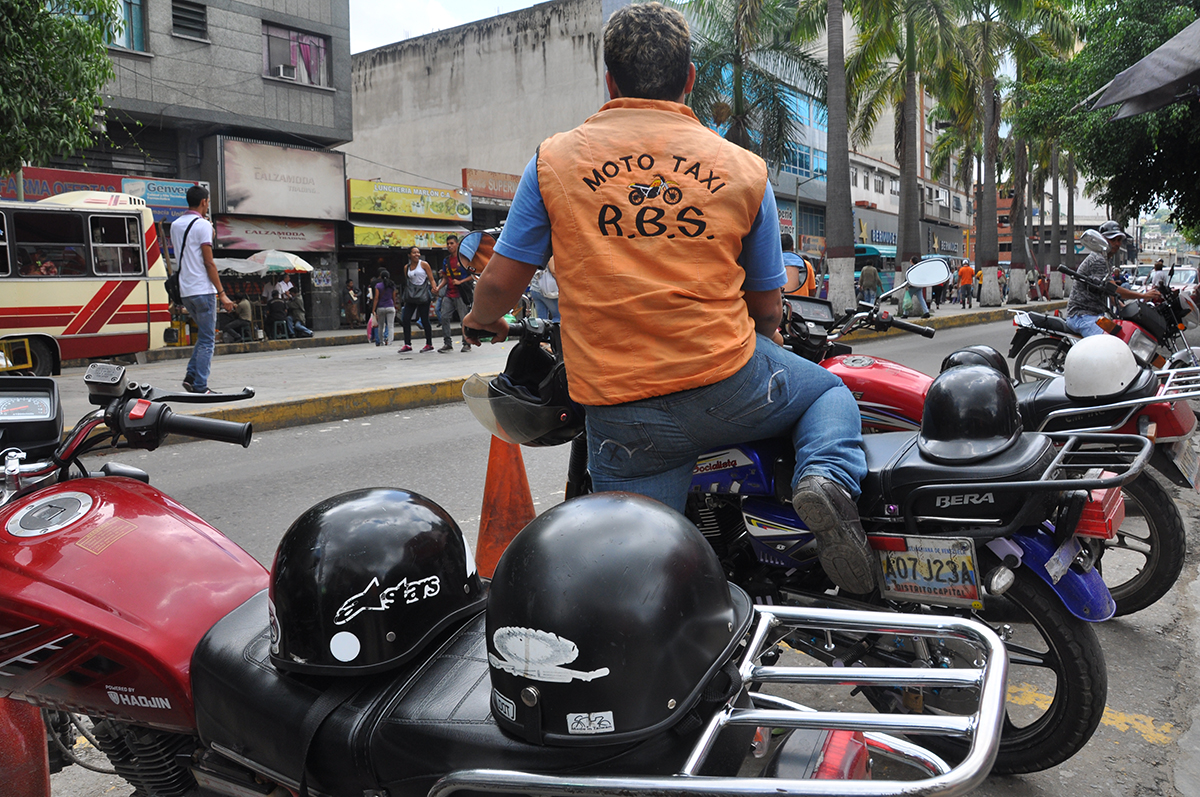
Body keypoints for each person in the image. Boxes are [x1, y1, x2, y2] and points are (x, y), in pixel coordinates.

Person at [461, 2, 874, 594]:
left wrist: (481, 320)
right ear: (689, 80)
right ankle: (827, 480)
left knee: (635, 577)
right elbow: (766, 304)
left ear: (608, 80)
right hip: (729, 383)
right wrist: (772, 336)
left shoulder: (554, 161)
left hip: (623, 411)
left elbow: (501, 284)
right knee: (831, 390)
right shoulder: (743, 169)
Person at [171, 185, 234, 394]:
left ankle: (191, 376)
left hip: (185, 290)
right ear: (204, 202)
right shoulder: (203, 225)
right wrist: (222, 294)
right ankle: (201, 385)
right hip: (203, 289)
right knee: (208, 339)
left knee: (204, 336)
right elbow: (209, 263)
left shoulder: (176, 225)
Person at [1066, 221, 1160, 337]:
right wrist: (1143, 296)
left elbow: (1109, 293)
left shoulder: (1106, 261)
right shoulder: (1097, 259)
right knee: (1107, 345)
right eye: (1112, 240)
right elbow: (1113, 289)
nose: (1116, 243)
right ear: (1101, 240)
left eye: (1119, 240)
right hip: (1082, 316)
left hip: (1096, 315)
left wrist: (1124, 307)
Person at [437, 235, 475, 352]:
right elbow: (445, 277)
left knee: (464, 319)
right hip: (449, 294)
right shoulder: (446, 260)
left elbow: (473, 275)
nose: (449, 246)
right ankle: (447, 344)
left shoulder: (464, 259)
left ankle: (467, 343)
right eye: (448, 244)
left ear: (457, 244)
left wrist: (460, 281)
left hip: (461, 294)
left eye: (452, 243)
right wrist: (438, 287)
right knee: (444, 317)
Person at [400, 246, 436, 353]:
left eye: (418, 252)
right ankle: (407, 344)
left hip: (423, 294)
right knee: (405, 319)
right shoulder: (406, 267)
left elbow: (431, 278)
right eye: (414, 252)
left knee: (424, 319)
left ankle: (429, 344)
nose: (417, 255)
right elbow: (408, 281)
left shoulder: (424, 264)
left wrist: (434, 288)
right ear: (409, 255)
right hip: (411, 296)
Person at [528, 256, 560, 321]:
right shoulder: (550, 254)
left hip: (535, 289)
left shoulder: (537, 254)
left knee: (542, 320)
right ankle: (556, 331)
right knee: (557, 317)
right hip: (547, 291)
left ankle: (543, 331)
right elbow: (553, 271)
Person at [372, 269, 397, 346]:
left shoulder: (378, 286)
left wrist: (373, 309)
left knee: (381, 326)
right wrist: (394, 305)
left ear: (381, 277)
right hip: (390, 306)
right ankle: (390, 342)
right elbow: (394, 297)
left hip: (381, 307)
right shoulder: (392, 285)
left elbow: (376, 298)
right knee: (390, 325)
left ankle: (381, 341)